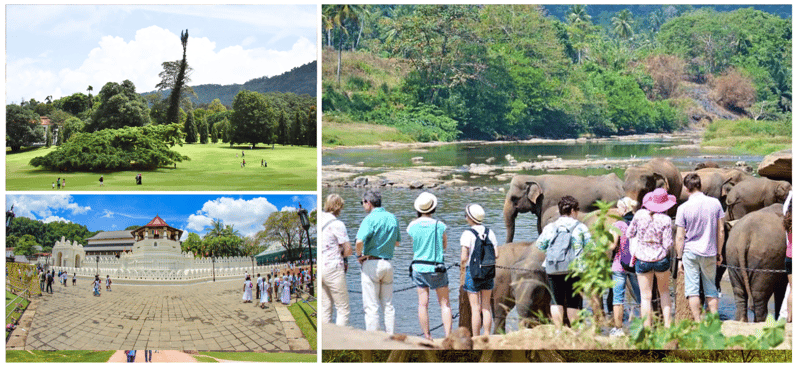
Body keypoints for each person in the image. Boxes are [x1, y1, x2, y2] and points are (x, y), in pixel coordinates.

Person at [674, 174, 724, 322]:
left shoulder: (683, 208)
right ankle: (714, 320)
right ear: (700, 186)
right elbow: (721, 230)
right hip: (710, 251)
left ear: (686, 188)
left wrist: (679, 258)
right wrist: (719, 253)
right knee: (711, 289)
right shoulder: (715, 203)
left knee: (692, 290)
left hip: (690, 252)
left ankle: (698, 321)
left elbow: (680, 236)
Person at [537, 196, 591, 330]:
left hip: (553, 267)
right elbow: (591, 247)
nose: (577, 212)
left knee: (556, 301)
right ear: (572, 210)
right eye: (577, 210)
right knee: (574, 302)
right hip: (575, 268)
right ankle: (575, 331)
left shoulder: (550, 227)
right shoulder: (581, 227)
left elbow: (540, 245)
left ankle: (558, 331)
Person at [628, 188, 675, 328]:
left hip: (642, 260)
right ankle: (667, 327)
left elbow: (630, 233)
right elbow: (668, 244)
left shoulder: (639, 215)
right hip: (661, 260)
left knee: (645, 298)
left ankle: (647, 330)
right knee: (665, 294)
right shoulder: (666, 220)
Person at [407, 192, 452, 339]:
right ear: (433, 208)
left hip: (418, 267)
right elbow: (444, 245)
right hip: (437, 268)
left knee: (422, 304)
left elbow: (413, 244)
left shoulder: (412, 225)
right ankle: (447, 336)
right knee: (444, 304)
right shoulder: (440, 225)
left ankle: (427, 335)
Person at [355, 190, 400, 334]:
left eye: (362, 203)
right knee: (388, 305)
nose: (362, 206)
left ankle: (373, 339)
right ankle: (391, 335)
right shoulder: (392, 217)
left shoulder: (369, 219)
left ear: (368, 202)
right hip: (388, 263)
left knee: (371, 306)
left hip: (371, 262)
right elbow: (397, 242)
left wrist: (359, 255)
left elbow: (359, 241)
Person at [459, 203, 498, 337]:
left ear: (470, 218)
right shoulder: (490, 232)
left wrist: (463, 264)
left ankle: (476, 337)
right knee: (486, 306)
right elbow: (496, 254)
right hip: (488, 273)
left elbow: (464, 257)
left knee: (475, 309)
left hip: (473, 273)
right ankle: (487, 335)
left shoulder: (467, 233)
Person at [608, 197, 641, 337]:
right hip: (635, 265)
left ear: (625, 208)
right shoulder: (638, 223)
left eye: (619, 207)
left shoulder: (618, 225)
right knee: (642, 298)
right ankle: (644, 327)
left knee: (618, 299)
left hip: (619, 266)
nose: (617, 210)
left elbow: (612, 245)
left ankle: (618, 329)